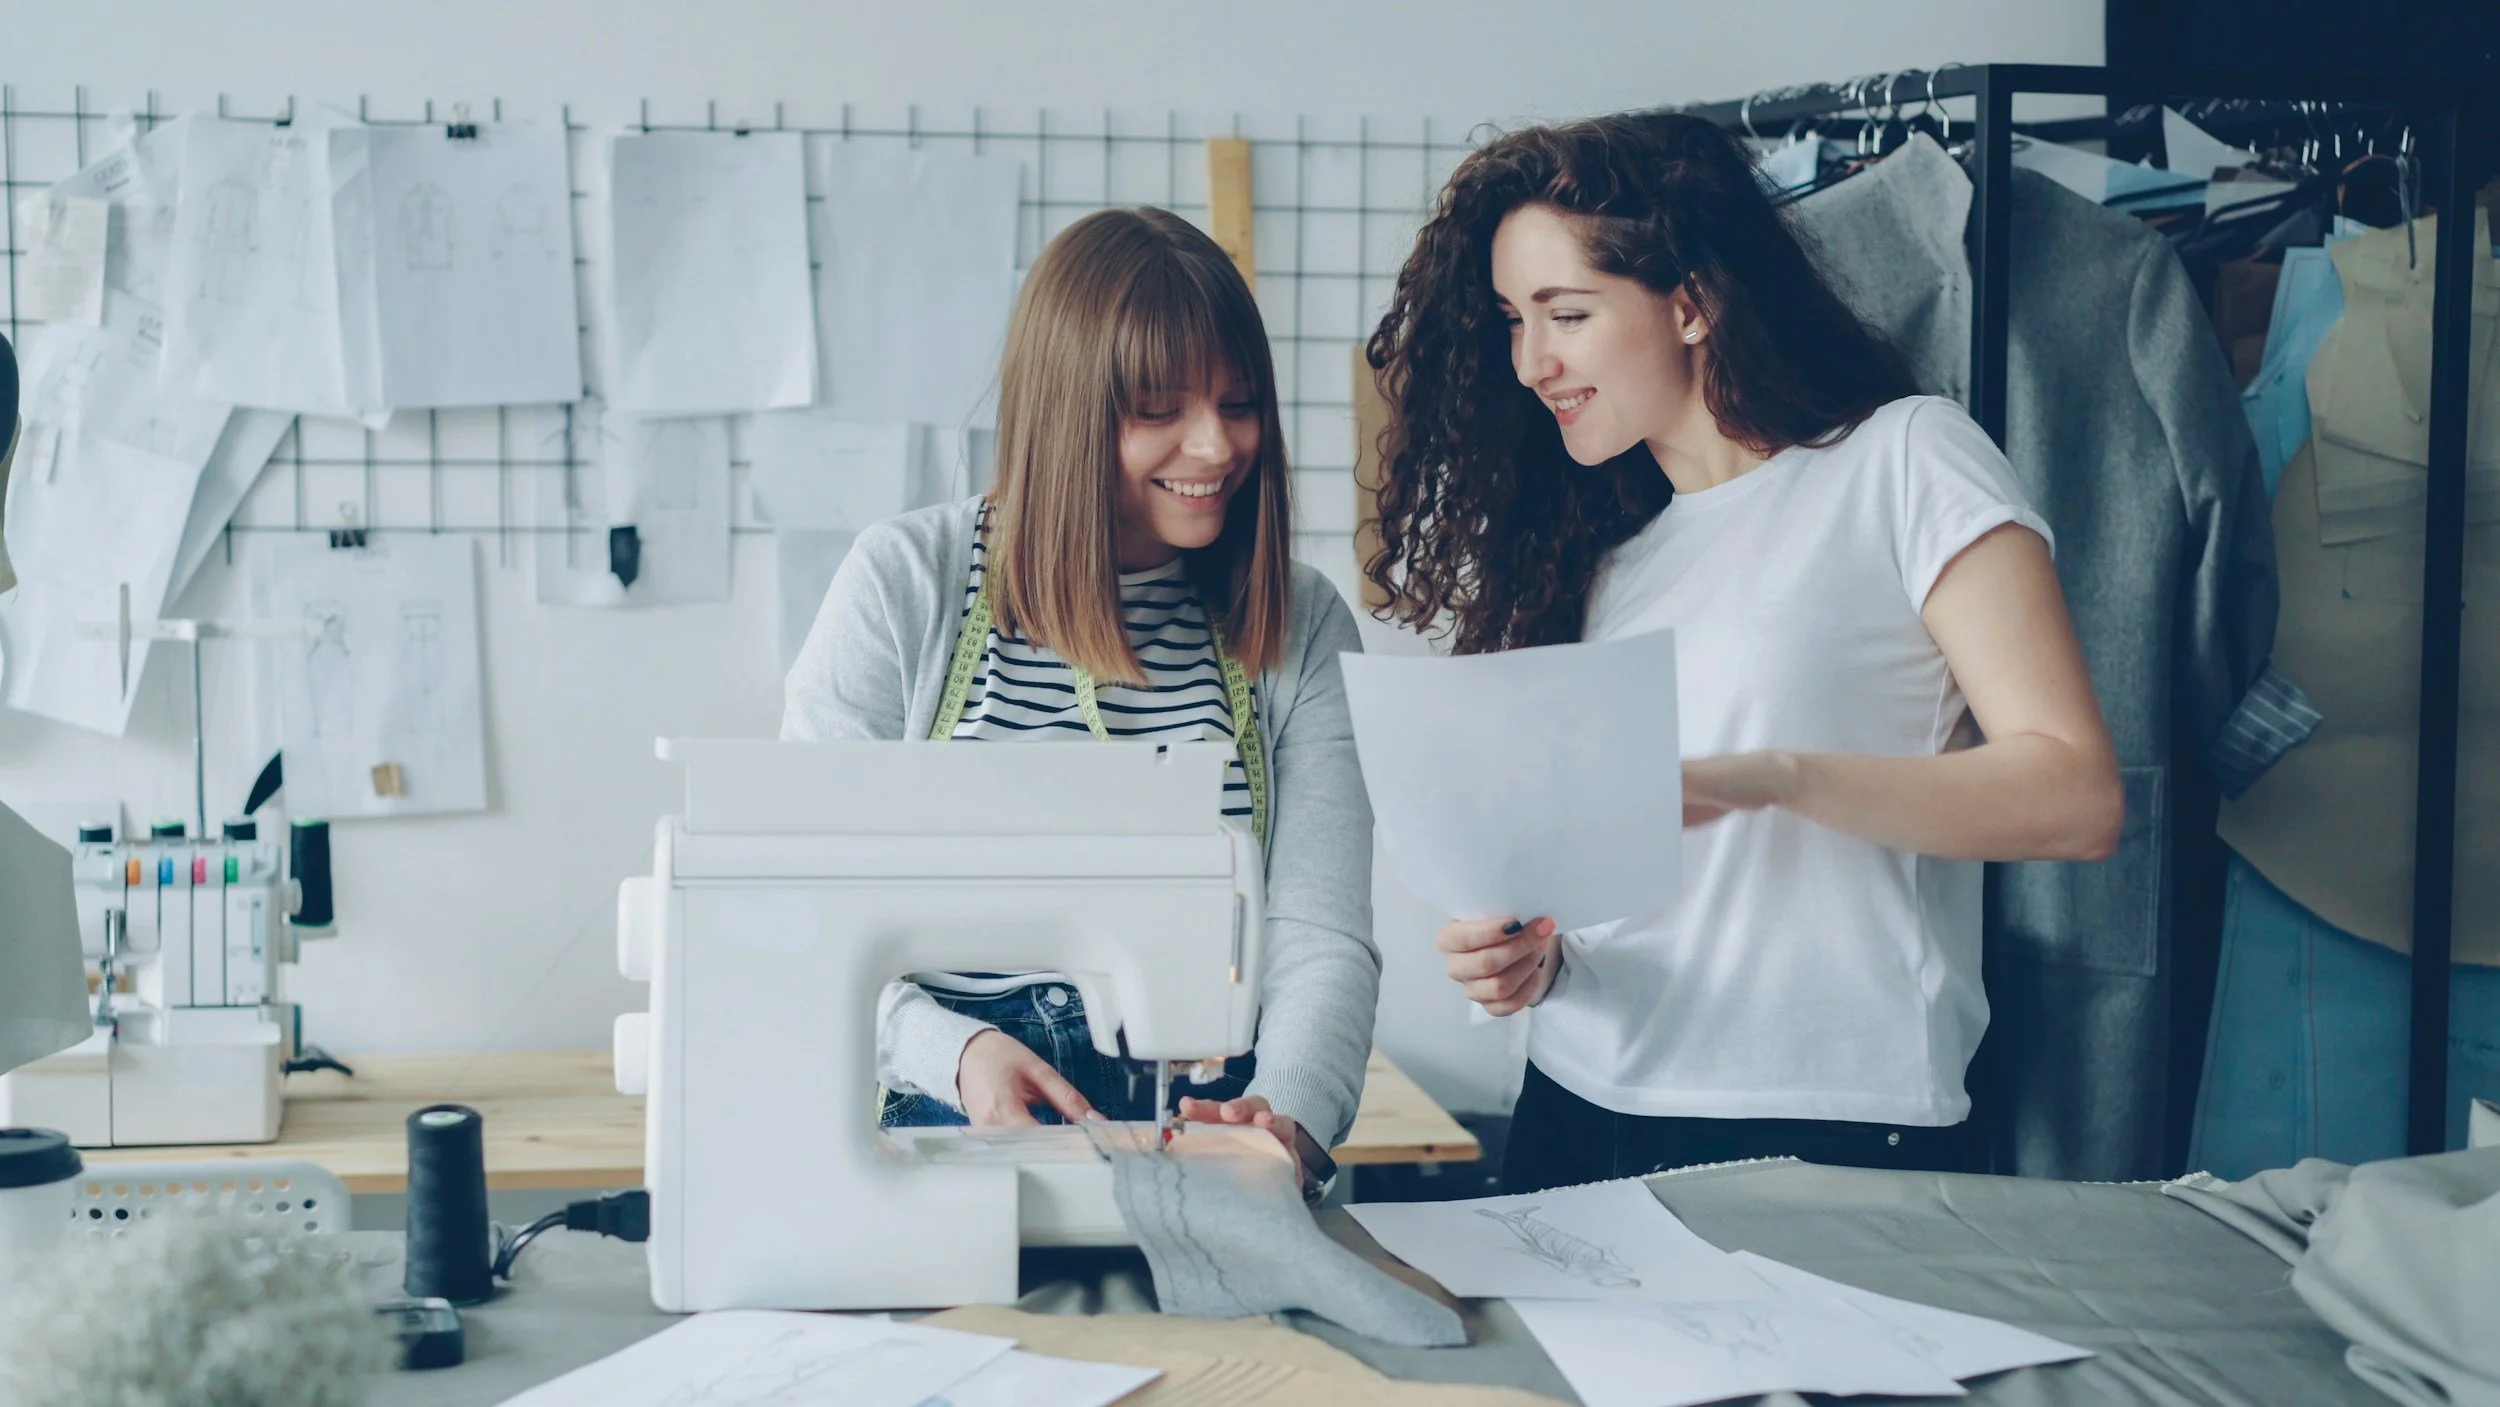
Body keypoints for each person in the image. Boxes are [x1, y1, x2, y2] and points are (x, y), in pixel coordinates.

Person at [1363, 113, 2123, 1192]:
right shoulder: (1609, 554)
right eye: (1512, 322)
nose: (1532, 362)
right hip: (1577, 1103)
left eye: (1565, 314)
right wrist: (1537, 957)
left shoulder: (1904, 459)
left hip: (1830, 1122)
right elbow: (1638, 890)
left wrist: (1771, 778)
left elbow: (2076, 797)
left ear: (1691, 302)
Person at [783, 207, 1378, 1168]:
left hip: (1212, 1114)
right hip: (953, 1101)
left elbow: (1320, 931)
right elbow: (802, 900)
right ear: (1068, 412)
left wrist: (1289, 1120)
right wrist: (954, 1053)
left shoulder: (1300, 622)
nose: (1216, 447)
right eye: (1161, 411)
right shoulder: (904, 583)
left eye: (1237, 405)